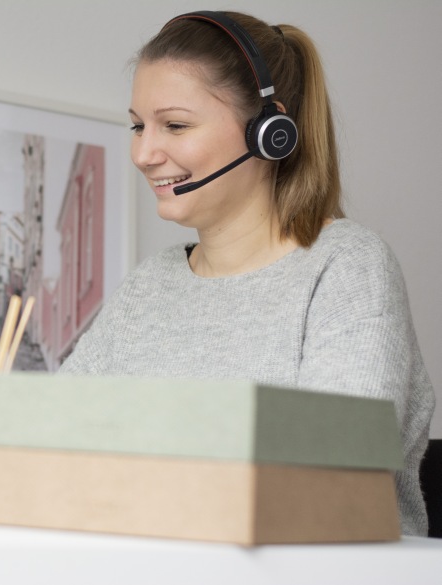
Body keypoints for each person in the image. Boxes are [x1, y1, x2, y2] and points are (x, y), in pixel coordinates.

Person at [58, 10, 435, 536]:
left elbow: (332, 472)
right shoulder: (150, 285)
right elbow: (52, 445)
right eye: (138, 125)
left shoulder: (347, 266)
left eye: (176, 125)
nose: (143, 153)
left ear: (269, 133)